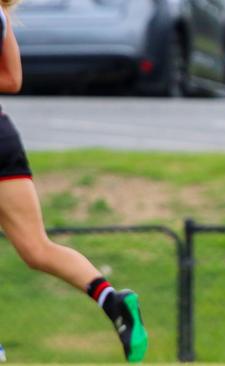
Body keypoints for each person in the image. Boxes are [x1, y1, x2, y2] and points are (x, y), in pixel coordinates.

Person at [0, 1, 147, 362]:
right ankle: (113, 302)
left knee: (36, 248)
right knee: (36, 248)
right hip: (3, 137)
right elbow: (12, 79)